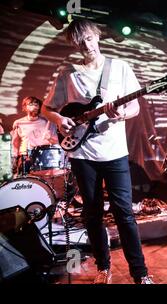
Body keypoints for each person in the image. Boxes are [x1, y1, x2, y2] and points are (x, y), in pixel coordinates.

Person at [42, 19, 153, 284]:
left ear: (97, 36)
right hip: (82, 154)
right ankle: (103, 267)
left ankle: (140, 273)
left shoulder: (120, 67)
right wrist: (59, 120)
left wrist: (122, 113)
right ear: (74, 44)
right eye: (80, 42)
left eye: (89, 38)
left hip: (114, 152)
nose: (86, 45)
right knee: (92, 213)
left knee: (124, 213)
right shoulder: (69, 73)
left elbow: (135, 107)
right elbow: (48, 108)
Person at [11, 96, 58, 175]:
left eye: (37, 105)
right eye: (31, 104)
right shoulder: (18, 123)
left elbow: (55, 140)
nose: (35, 107)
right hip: (26, 156)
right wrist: (14, 159)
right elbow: (15, 143)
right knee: (25, 181)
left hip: (44, 155)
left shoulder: (47, 121)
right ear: (25, 107)